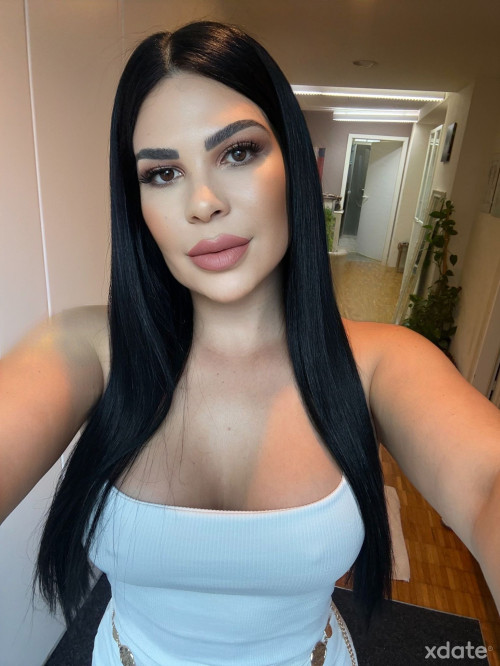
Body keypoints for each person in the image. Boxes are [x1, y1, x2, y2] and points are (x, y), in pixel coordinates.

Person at [0, 20, 499, 666]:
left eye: (237, 152)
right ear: (137, 203)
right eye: (162, 173)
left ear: (293, 165)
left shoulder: (381, 363)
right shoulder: (88, 349)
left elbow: (488, 483)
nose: (203, 204)